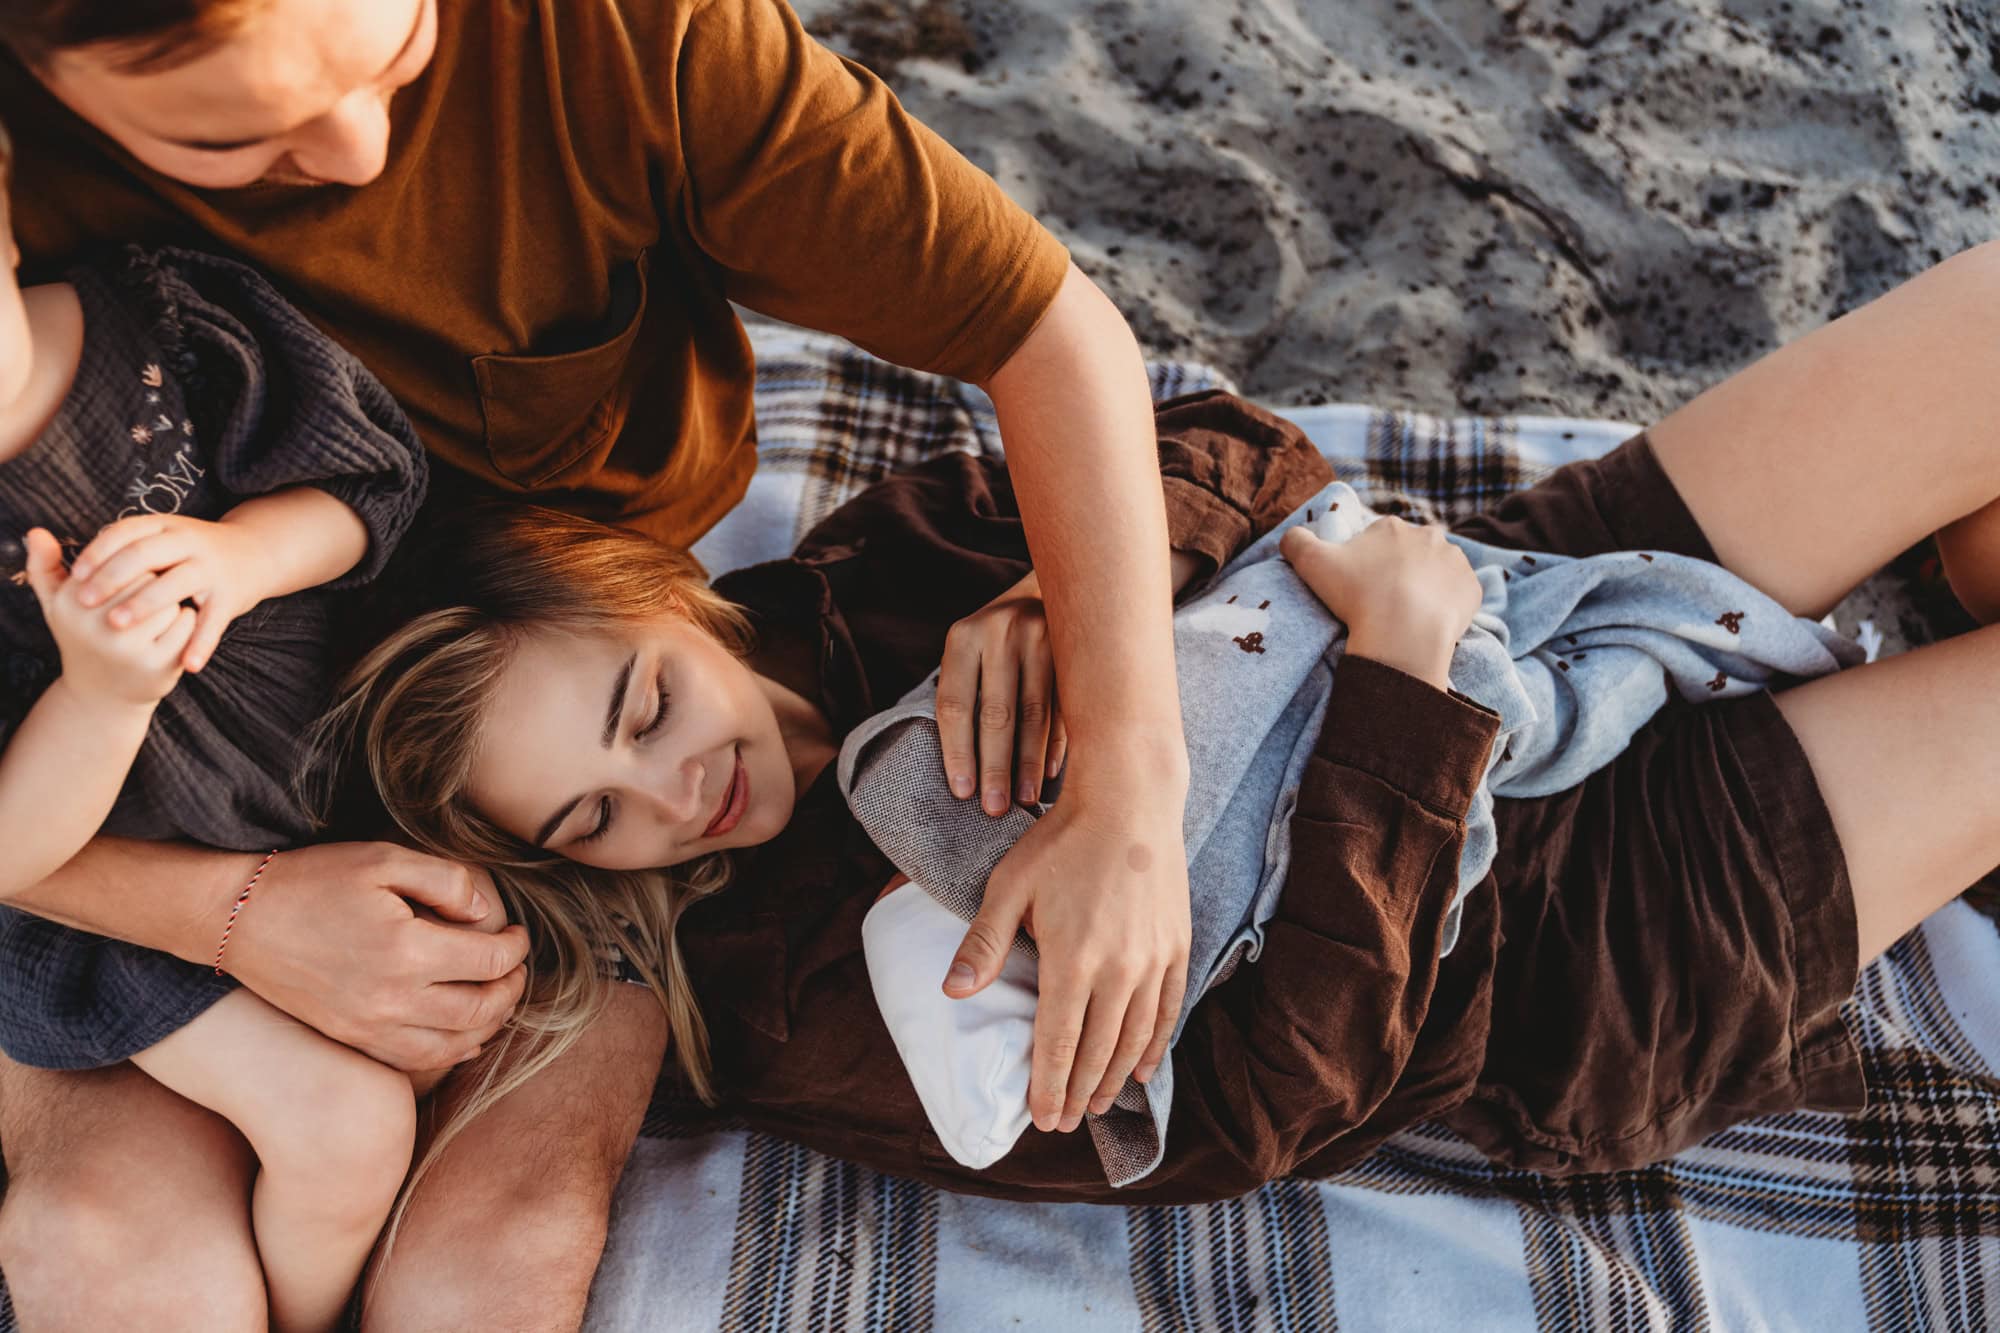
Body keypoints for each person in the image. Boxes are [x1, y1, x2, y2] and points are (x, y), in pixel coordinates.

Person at [314, 228, 2000, 1201]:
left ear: (665, 596)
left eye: (639, 704)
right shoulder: (797, 1000)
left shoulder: (858, 573)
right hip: (1572, 940)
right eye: (587, 821)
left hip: (1531, 595)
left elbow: (1230, 445)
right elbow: (1273, 1104)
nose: (671, 794)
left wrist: (1069, 595)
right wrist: (1402, 696)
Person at [0, 1, 1202, 1323]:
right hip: (94, 808)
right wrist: (226, 911)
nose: (354, 153)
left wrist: (1129, 785)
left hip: (543, 766)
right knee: (112, 1243)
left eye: (394, 57)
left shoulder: (621, 33)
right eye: (232, 139)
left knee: (496, 1253)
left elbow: (1040, 326)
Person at [0, 124, 439, 1327]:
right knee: (348, 1125)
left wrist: (246, 552)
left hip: (330, 784)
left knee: (432, 1039)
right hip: (107, 907)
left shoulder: (162, 321)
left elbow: (370, 486)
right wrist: (101, 697)